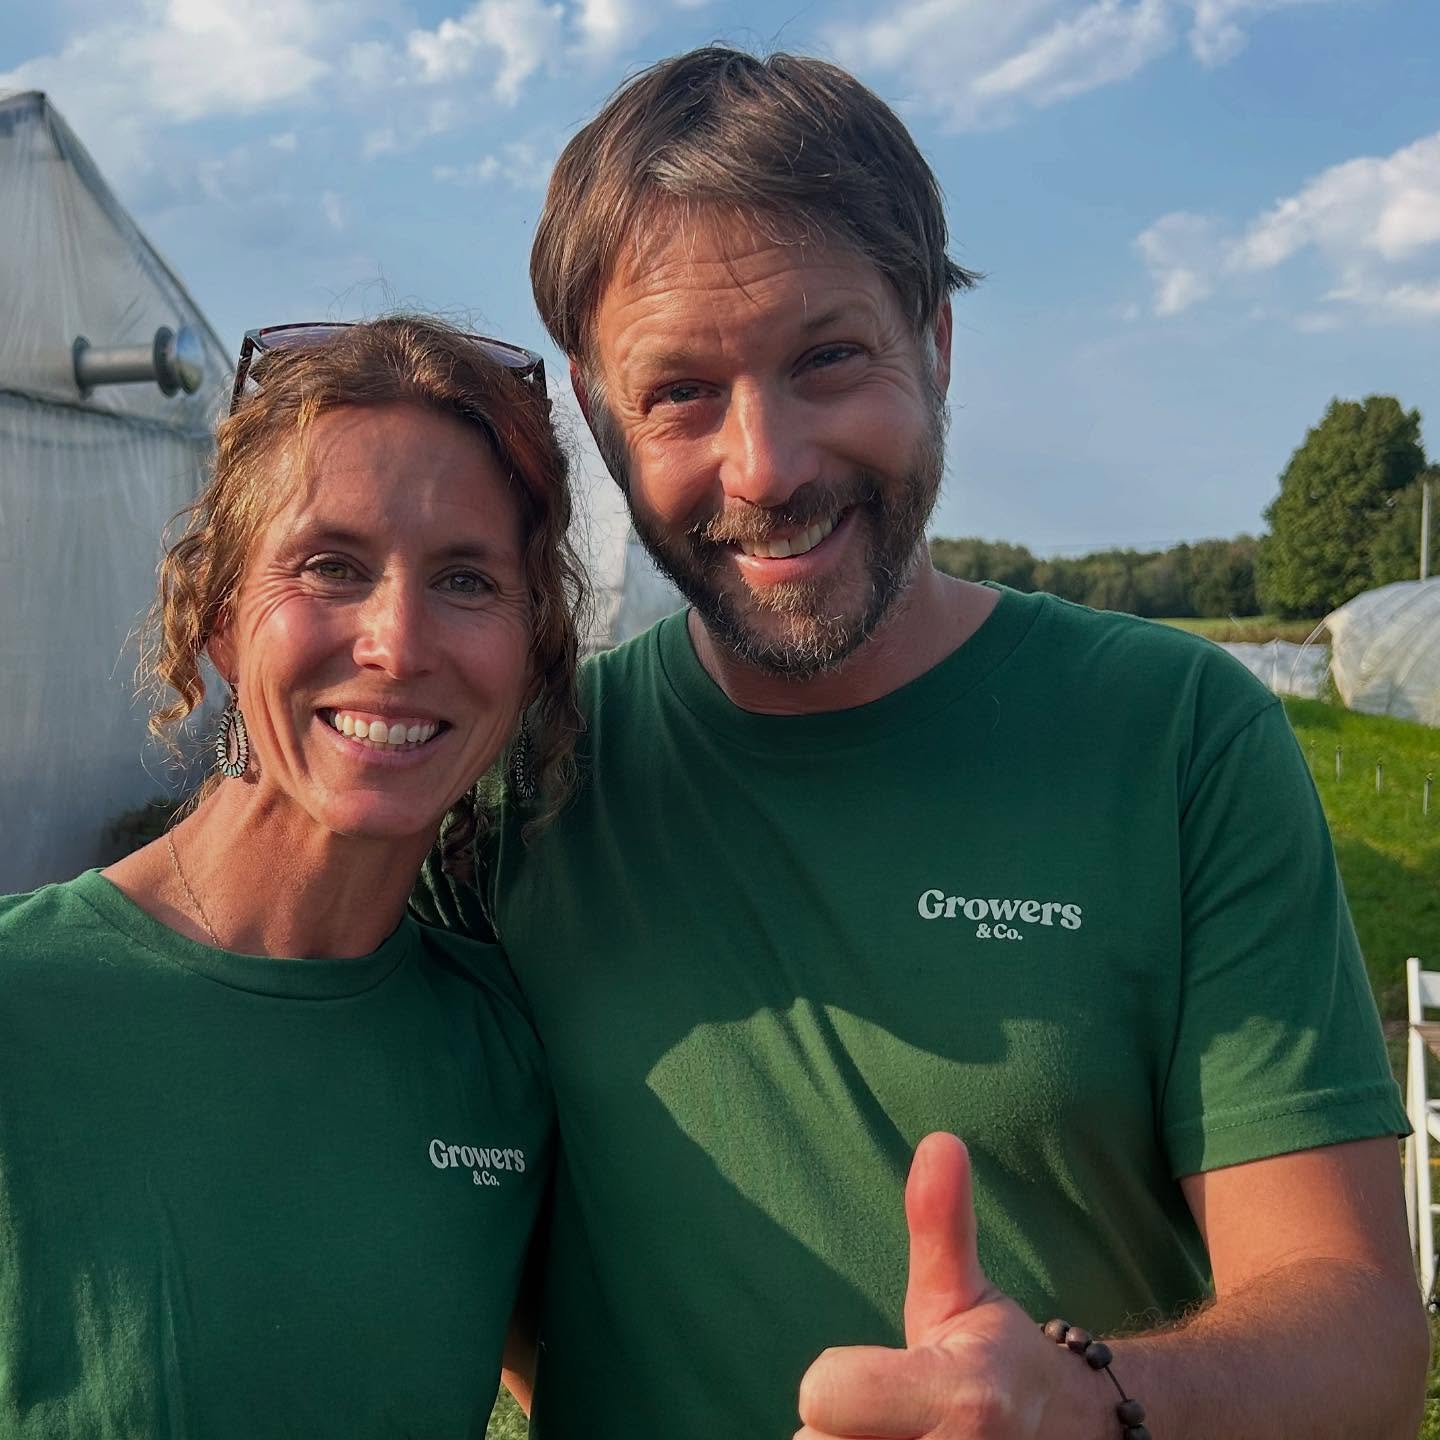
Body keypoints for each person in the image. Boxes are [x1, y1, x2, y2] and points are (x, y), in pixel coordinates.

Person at [414, 46, 1432, 1439]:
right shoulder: (520, 780)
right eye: (681, 395)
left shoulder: (1176, 737)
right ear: (600, 413)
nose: (765, 466)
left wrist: (1088, 1405)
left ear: (936, 348)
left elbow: (1363, 1333)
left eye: (829, 358)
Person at [0, 316, 586, 1437]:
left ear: (530, 654)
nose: (398, 641)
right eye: (331, 566)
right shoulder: (21, 1003)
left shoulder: (502, 1051)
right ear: (220, 622)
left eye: (467, 579)